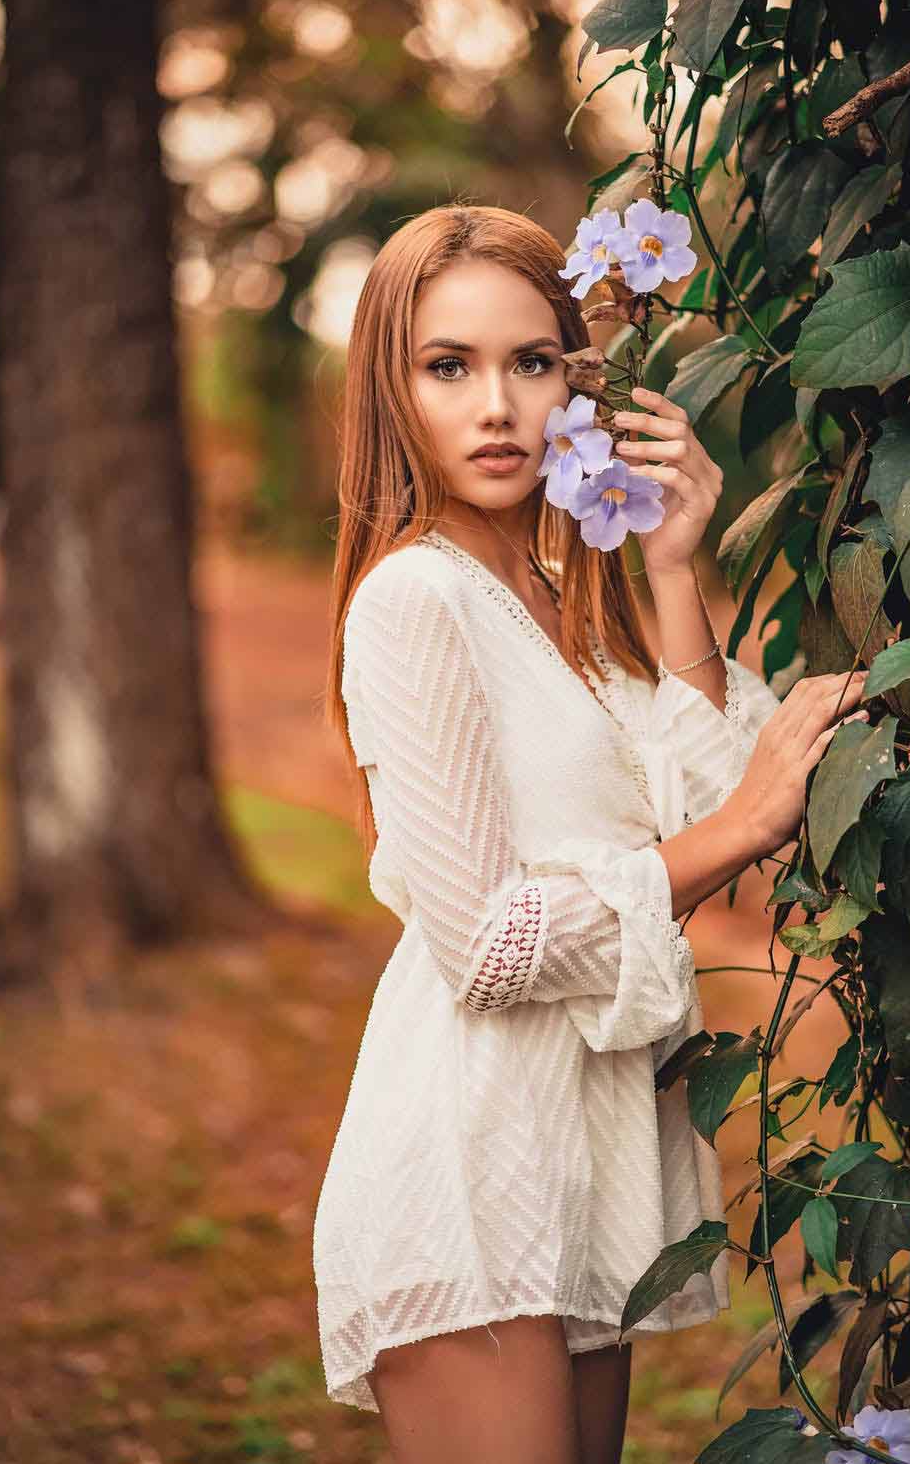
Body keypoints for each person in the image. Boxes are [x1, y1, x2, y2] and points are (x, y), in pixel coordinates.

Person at [314, 203, 869, 1464]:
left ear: (581, 377)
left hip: (575, 1158)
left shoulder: (561, 598)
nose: (497, 405)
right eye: (447, 366)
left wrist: (672, 569)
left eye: (531, 360)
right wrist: (740, 819)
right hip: (469, 1160)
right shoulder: (415, 600)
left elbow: (712, 819)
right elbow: (494, 946)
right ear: (390, 391)